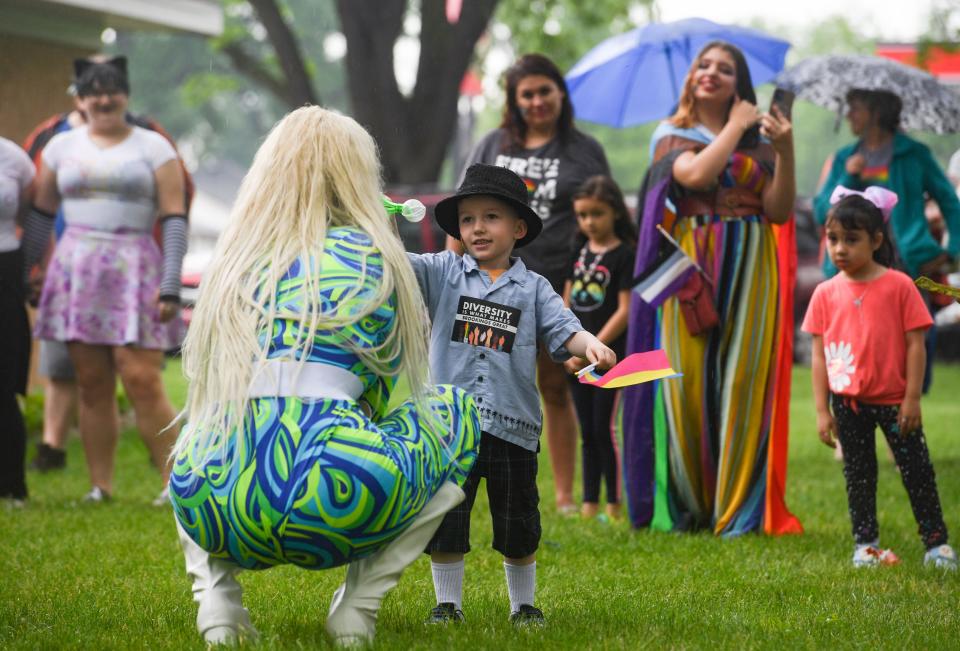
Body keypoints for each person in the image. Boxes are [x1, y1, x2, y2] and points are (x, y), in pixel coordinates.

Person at [167, 106, 480, 646]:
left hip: (216, 507)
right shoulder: (375, 260)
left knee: (199, 434)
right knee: (457, 412)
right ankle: (357, 608)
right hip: (338, 502)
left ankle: (216, 603)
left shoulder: (237, 258)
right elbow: (377, 402)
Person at [408, 163, 616, 625]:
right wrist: (372, 221)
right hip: (450, 429)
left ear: (518, 228)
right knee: (445, 521)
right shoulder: (443, 273)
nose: (477, 228)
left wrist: (592, 345)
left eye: (491, 217)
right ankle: (448, 605)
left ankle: (523, 605)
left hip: (513, 427)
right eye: (467, 220)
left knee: (518, 524)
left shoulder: (535, 288)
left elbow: (567, 331)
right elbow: (396, 267)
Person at [624, 41, 801, 535]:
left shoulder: (762, 142)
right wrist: (737, 125)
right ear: (691, 77)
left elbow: (780, 209)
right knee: (686, 378)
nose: (712, 73)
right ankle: (690, 507)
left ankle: (738, 509)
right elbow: (697, 173)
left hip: (752, 259)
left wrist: (783, 149)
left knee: (745, 378)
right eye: (704, 65)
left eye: (725, 68)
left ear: (738, 84)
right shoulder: (671, 132)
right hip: (691, 263)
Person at [22, 57, 186, 503]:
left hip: (136, 270)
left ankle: (176, 485)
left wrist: (170, 282)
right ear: (80, 97)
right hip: (77, 272)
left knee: (142, 379)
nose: (104, 98)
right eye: (93, 91)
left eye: (112, 89)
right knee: (91, 382)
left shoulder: (154, 147)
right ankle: (101, 486)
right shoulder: (60, 148)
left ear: (126, 94)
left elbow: (174, 216)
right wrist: (27, 270)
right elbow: (40, 214)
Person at [454, 53, 611, 514]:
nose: (538, 101)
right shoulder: (491, 144)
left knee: (556, 385)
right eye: (528, 94)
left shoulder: (584, 150)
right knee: (475, 380)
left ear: (561, 93)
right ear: (514, 100)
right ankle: (463, 483)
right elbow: (462, 211)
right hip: (488, 284)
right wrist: (453, 271)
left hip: (557, 284)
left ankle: (563, 495)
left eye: (545, 91)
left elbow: (603, 218)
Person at [802, 186, 956, 570]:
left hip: (894, 402)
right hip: (848, 403)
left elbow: (916, 345)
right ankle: (866, 545)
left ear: (876, 240)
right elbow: (819, 357)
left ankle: (937, 544)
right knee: (859, 475)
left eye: (851, 240)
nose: (839, 249)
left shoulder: (900, 286)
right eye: (833, 239)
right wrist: (823, 411)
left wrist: (912, 398)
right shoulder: (824, 293)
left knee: (918, 471)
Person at [813, 89, 960, 394]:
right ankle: (851, 398)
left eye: (855, 108)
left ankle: (908, 400)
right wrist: (849, 176)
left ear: (877, 112)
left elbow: (950, 201)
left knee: (914, 332)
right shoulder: (844, 158)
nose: (849, 114)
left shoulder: (914, 154)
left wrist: (953, 250)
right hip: (852, 264)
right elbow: (821, 211)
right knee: (852, 334)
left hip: (908, 261)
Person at [561, 176, 637, 522]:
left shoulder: (625, 254)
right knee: (587, 432)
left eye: (597, 214)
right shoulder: (577, 251)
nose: (589, 222)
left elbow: (625, 309)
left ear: (615, 213)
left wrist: (596, 346)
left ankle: (614, 504)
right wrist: (567, 343)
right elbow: (562, 304)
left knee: (606, 428)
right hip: (575, 359)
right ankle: (589, 504)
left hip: (610, 361)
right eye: (582, 215)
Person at [0, 137, 35, 504]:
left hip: (5, 270)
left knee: (4, 384)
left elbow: (33, 212)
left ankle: (11, 485)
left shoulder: (14, 158)